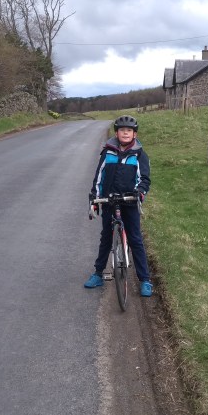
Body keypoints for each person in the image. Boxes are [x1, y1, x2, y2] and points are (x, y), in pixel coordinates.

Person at [85, 115, 153, 297]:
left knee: (135, 238)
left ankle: (145, 280)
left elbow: (144, 179)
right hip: (109, 201)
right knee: (106, 237)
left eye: (129, 130)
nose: (125, 133)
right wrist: (94, 199)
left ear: (134, 134)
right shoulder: (107, 153)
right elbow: (99, 178)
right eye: (122, 130)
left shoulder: (139, 154)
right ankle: (98, 273)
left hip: (129, 201)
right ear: (116, 133)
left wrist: (139, 192)